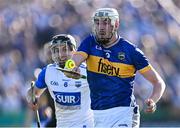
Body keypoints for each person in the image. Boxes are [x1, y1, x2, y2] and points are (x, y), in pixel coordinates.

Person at [64, 8, 166, 128]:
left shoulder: (131, 51)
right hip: (96, 114)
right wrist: (70, 67)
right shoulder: (90, 42)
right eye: (97, 22)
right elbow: (72, 62)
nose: (101, 27)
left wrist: (153, 100)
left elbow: (158, 82)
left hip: (124, 113)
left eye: (106, 22)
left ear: (116, 24)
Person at [26, 34, 94, 127]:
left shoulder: (88, 71)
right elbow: (33, 93)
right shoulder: (48, 72)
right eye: (56, 50)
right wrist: (33, 98)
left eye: (64, 49)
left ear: (74, 51)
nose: (60, 55)